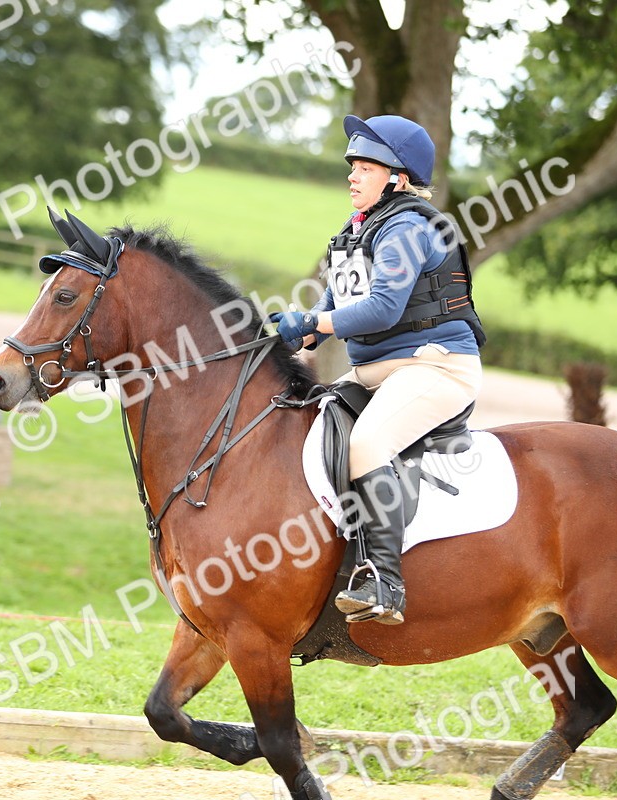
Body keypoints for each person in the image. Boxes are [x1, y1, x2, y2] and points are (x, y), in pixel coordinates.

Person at [271, 114, 486, 625]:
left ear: (398, 178)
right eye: (353, 166)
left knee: (368, 442)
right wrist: (300, 331)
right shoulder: (355, 232)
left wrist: (315, 321)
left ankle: (384, 581)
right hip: (376, 372)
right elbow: (334, 306)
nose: (352, 175)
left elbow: (385, 308)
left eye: (366, 167)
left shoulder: (409, 228)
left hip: (436, 367)